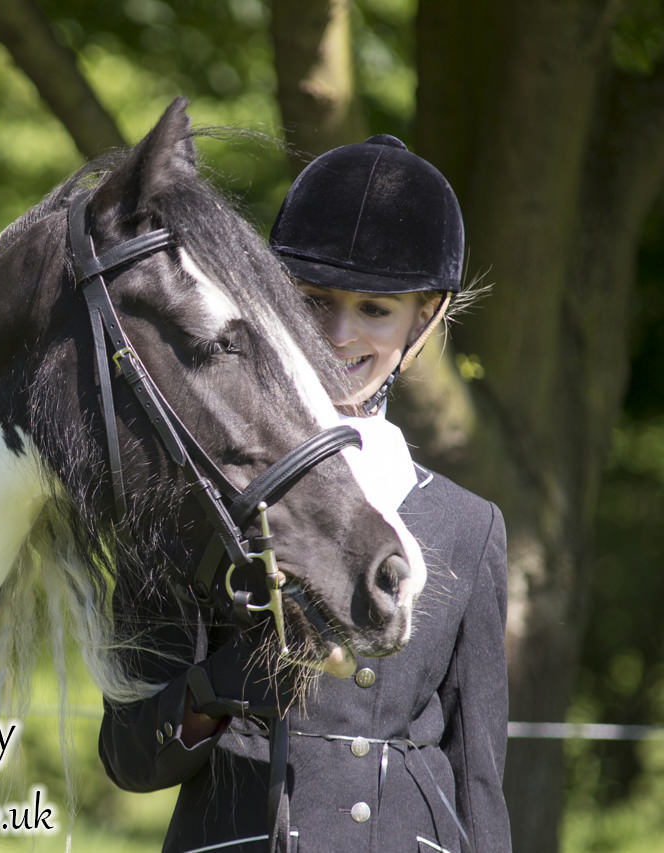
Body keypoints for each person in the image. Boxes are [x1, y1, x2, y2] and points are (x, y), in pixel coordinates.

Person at [98, 135, 511, 853]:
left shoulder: (467, 526)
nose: (337, 334)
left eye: (375, 309)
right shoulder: (190, 492)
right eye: (313, 300)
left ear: (426, 316)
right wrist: (223, 685)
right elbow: (130, 754)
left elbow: (478, 782)